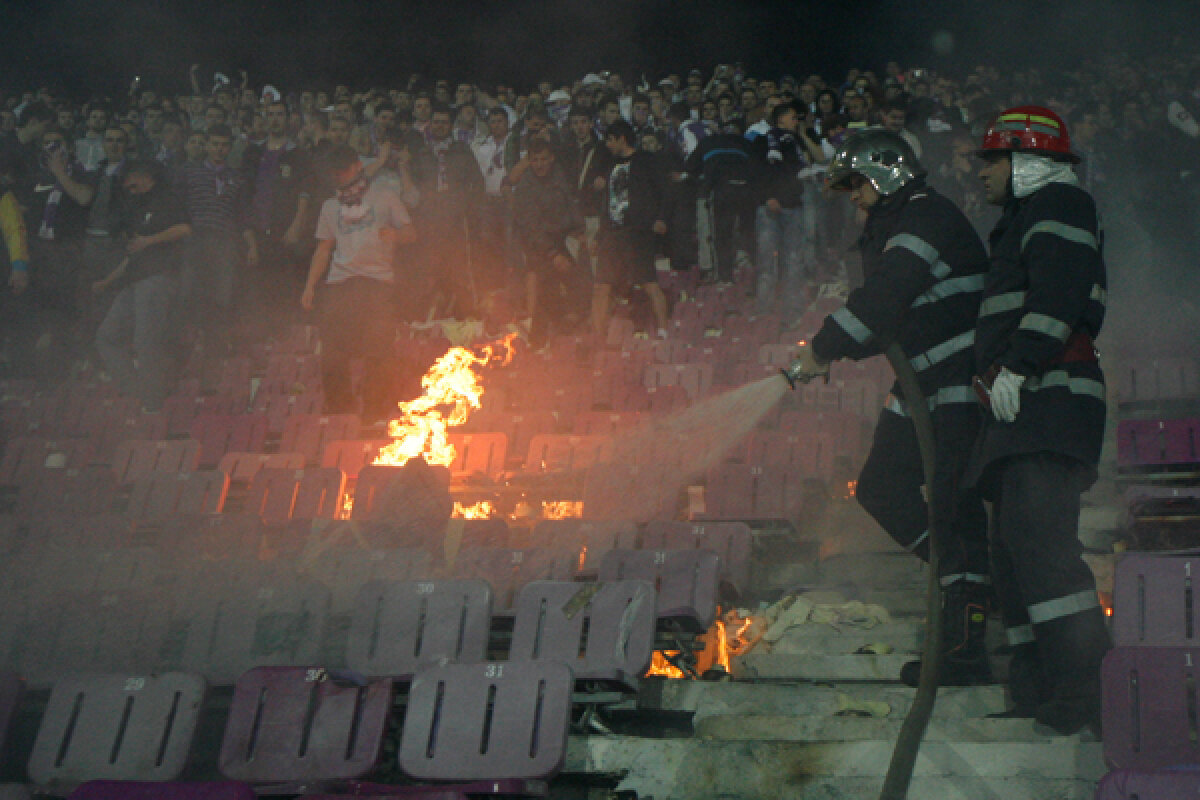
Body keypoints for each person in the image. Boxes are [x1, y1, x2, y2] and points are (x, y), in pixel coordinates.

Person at [786, 128, 992, 689]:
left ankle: (966, 641)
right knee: (880, 487)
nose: (854, 197)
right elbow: (889, 317)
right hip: (921, 382)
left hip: (956, 380)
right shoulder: (900, 225)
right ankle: (960, 572)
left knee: (954, 509)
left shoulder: (924, 218)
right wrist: (833, 349)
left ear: (885, 173)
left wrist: (823, 347)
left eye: (857, 184)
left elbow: (886, 298)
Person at [968, 105, 1110, 735]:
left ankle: (1086, 689)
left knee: (1042, 546)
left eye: (992, 160)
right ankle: (1036, 684)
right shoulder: (1026, 218)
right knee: (1012, 553)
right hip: (1024, 405)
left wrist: (1019, 364)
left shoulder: (1060, 204)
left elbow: (1059, 293)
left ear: (1026, 159)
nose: (982, 173)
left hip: (1050, 397)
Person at [302, 145, 415, 420]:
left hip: (378, 282)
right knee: (333, 352)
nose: (340, 175)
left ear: (357, 167)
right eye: (335, 172)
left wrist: (396, 236)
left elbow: (411, 232)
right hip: (340, 284)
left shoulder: (385, 196)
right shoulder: (330, 206)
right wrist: (309, 286)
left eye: (344, 169)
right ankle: (340, 412)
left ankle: (375, 412)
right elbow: (323, 249)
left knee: (378, 349)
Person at [92, 159, 190, 411]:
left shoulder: (167, 199)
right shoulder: (134, 206)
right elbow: (133, 252)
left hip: (157, 276)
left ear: (145, 175)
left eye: (130, 180)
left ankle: (152, 403)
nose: (127, 186)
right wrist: (107, 281)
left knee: (146, 341)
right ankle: (137, 392)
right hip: (133, 279)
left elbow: (184, 228)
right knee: (107, 336)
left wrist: (150, 240)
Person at [592, 119, 670, 338]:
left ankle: (663, 330)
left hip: (638, 232)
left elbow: (664, 191)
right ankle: (598, 336)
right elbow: (608, 202)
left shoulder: (646, 161)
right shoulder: (610, 165)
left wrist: (661, 218)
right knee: (601, 286)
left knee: (648, 283)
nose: (608, 145)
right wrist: (599, 235)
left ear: (622, 139)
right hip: (612, 232)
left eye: (610, 140)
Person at [511, 137, 589, 348]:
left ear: (551, 158)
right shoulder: (525, 187)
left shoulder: (559, 176)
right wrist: (553, 255)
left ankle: (567, 334)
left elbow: (570, 204)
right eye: (535, 160)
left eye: (543, 159)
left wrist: (580, 230)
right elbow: (531, 228)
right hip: (536, 245)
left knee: (579, 283)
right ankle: (538, 342)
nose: (540, 165)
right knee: (546, 291)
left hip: (563, 239)